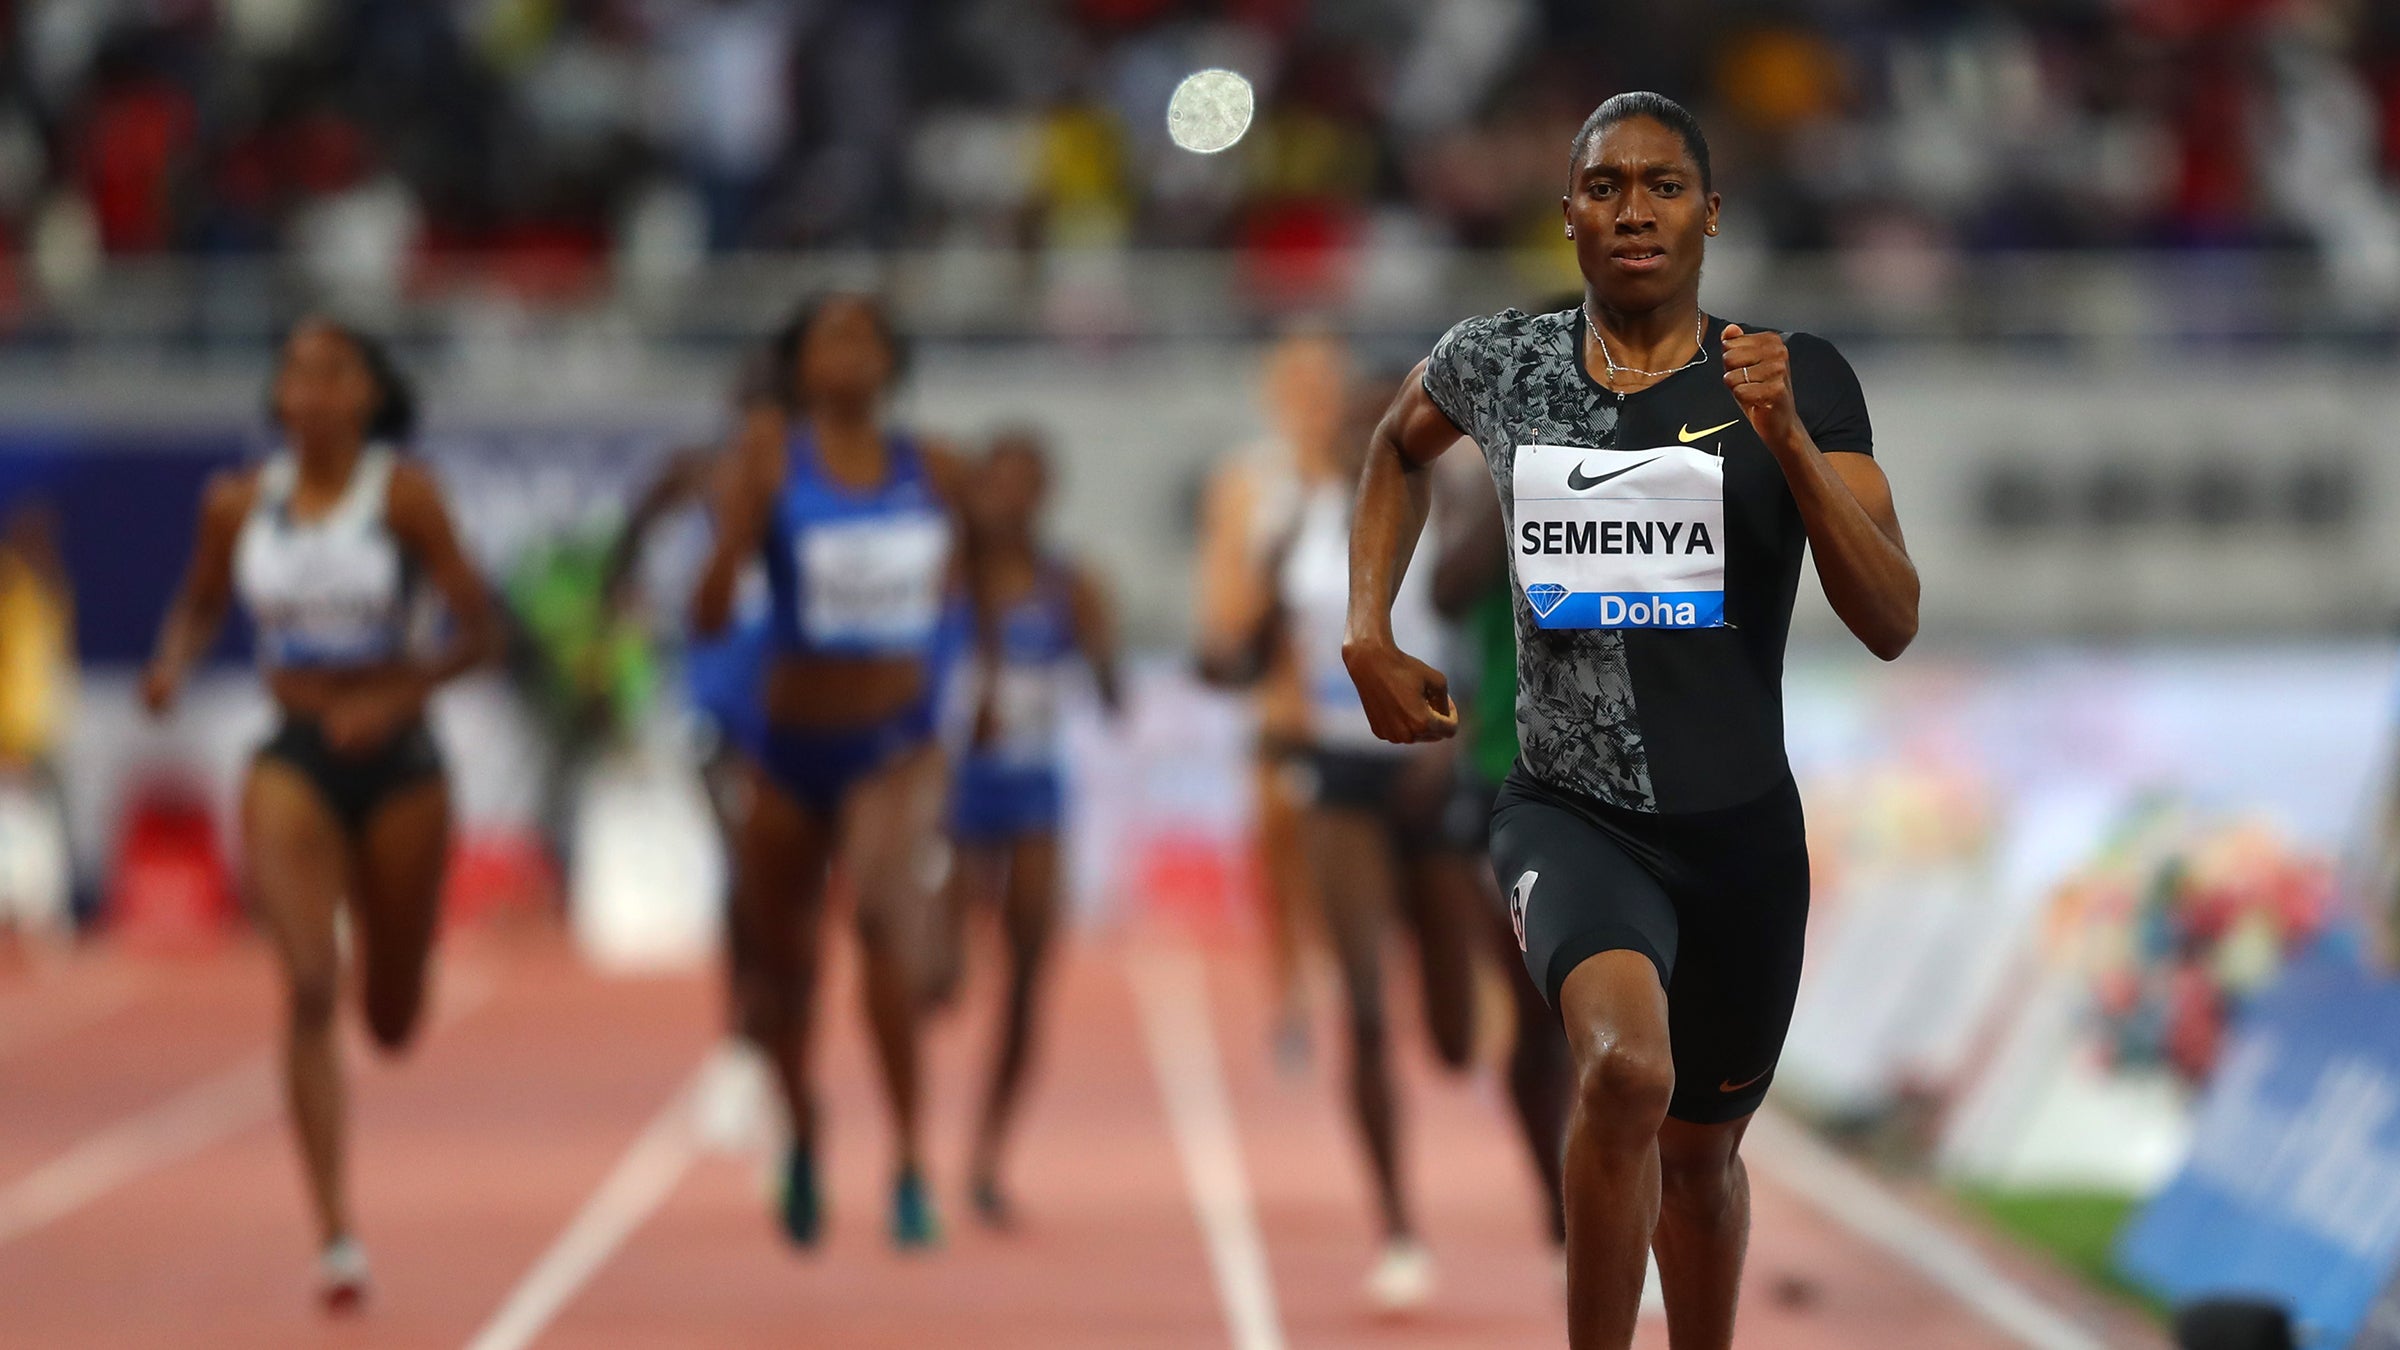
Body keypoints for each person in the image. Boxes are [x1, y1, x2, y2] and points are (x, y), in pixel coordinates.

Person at [1343, 92, 1918, 1349]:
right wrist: (1367, 632)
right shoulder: (1504, 364)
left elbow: (1891, 615)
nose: (1635, 209)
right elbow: (1394, 447)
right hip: (1567, 811)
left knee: (1702, 1163)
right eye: (1606, 186)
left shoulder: (1796, 375)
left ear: (1710, 214)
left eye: (1663, 186)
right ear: (1569, 217)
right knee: (1621, 1075)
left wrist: (1792, 450)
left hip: (1742, 841)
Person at [142, 317, 500, 1311]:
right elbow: (201, 603)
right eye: (293, 369)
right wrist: (173, 660)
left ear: (368, 396)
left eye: (332, 370)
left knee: (386, 1017)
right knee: (307, 984)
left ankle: (402, 967)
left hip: (400, 763)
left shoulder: (408, 498)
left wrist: (394, 698)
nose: (309, 386)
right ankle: (336, 1235)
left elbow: (484, 633)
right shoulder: (235, 502)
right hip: (292, 753)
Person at [691, 292, 974, 1250]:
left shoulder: (934, 469)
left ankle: (907, 1160)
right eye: (826, 337)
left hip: (893, 746)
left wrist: (967, 687)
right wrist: (741, 517)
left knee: (883, 924)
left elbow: (980, 580)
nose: (847, 350)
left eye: (864, 334)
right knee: (782, 971)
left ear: (892, 362)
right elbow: (705, 611)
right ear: (798, 365)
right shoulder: (772, 460)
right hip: (786, 749)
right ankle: (805, 1130)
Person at [1273, 375, 1484, 1311]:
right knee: (1361, 1007)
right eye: (1350, 423)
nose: (1364, 437)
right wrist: (1238, 671)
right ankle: (1397, 1228)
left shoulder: (1458, 513)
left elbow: (1498, 641)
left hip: (1427, 771)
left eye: (1381, 423)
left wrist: (1462, 743)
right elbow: (1252, 645)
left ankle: (1453, 1026)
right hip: (1338, 777)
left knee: (1451, 1034)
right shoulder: (1302, 525)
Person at [940, 430, 1121, 1229]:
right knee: (935, 975)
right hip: (953, 795)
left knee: (1026, 977)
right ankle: (910, 1115)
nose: (1010, 500)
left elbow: (1113, 698)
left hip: (1033, 795)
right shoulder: (947, 580)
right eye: (997, 483)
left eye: (1026, 484)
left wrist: (1100, 644)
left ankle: (986, 1155)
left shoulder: (1065, 583)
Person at [1426, 428, 1574, 1267]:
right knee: (1536, 1014)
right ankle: (1557, 1200)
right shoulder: (1489, 486)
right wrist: (1513, 478)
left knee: (1614, 1014)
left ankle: (1613, 1185)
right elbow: (1449, 592)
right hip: (1505, 776)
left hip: (1615, 775)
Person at [1192, 330, 1347, 1068]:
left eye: (1327, 385)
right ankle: (1292, 997)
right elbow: (1221, 610)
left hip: (1370, 715)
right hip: (1286, 712)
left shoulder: (1376, 470)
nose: (1315, 403)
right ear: (1274, 397)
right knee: (1284, 865)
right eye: (1300, 388)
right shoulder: (1247, 483)